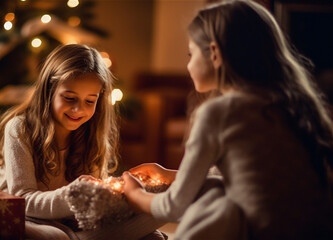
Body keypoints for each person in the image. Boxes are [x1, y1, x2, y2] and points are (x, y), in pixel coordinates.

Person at [122, 1, 333, 239]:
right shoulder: (294, 105)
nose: (189, 65)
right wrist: (172, 175)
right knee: (215, 186)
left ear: (214, 53)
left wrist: (135, 195)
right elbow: (247, 177)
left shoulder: (219, 113)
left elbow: (174, 206)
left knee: (216, 197)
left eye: (191, 54)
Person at [0, 44, 164, 240]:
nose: (78, 109)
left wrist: (111, 197)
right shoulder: (20, 129)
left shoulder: (91, 134)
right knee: (56, 237)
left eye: (90, 101)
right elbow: (23, 200)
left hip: (73, 222)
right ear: (48, 91)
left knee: (154, 232)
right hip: (29, 218)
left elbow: (90, 212)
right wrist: (75, 196)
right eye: (69, 98)